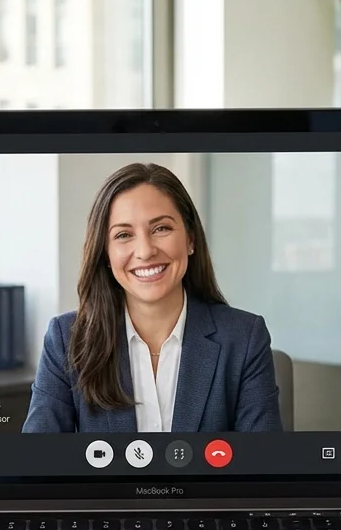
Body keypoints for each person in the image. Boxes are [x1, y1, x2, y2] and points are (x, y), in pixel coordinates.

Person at [22, 162, 283, 434]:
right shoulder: (67, 339)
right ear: (106, 254)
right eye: (124, 235)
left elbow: (261, 465)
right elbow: (39, 462)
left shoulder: (244, 338)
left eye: (161, 229)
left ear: (190, 239)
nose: (145, 251)